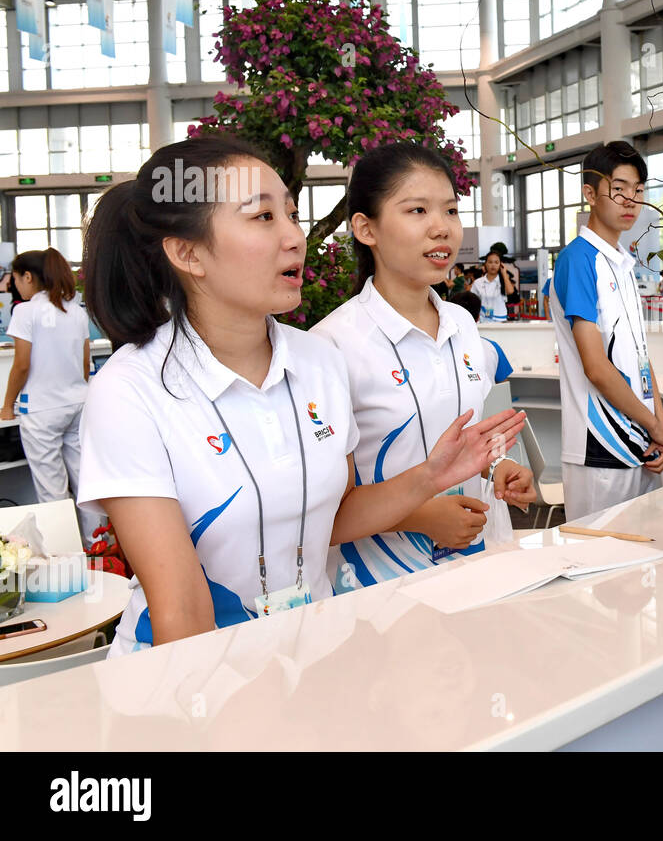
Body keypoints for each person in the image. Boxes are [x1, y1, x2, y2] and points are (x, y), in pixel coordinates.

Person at [76, 137, 524, 657]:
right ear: (188, 253)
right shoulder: (131, 390)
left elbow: (334, 518)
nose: (294, 237)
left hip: (313, 661)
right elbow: (181, 611)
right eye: (263, 218)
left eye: (291, 213)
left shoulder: (318, 362)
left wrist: (431, 477)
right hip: (189, 688)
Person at [312, 143, 535, 590]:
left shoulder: (462, 325)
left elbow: (467, 440)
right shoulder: (331, 346)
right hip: (384, 582)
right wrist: (421, 516)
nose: (442, 228)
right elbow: (324, 511)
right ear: (365, 228)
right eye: (417, 210)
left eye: (451, 211)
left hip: (482, 563)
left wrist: (500, 466)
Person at [543, 140, 663, 521]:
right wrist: (655, 425)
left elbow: (639, 357)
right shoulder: (578, 261)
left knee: (644, 569)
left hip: (642, 445)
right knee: (598, 568)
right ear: (590, 193)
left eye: (637, 190)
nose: (630, 200)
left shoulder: (622, 264)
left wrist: (660, 428)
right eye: (618, 189)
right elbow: (596, 367)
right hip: (600, 448)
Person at [0, 248, 99, 544]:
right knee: (86, 484)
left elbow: (21, 365)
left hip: (42, 410)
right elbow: (85, 364)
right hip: (78, 404)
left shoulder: (25, 311)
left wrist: (7, 406)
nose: (15, 285)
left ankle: (65, 556)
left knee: (51, 489)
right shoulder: (76, 311)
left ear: (28, 277)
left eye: (16, 279)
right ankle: (100, 549)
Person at [448, 290, 515, 384]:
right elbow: (503, 387)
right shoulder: (492, 347)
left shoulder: (439, 348)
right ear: (478, 317)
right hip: (490, 399)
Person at [471, 249, 514, 322]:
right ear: (485, 264)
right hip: (482, 320)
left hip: (501, 320)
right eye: (490, 262)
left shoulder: (504, 281)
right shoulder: (478, 282)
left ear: (500, 265)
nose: (493, 265)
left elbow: (510, 291)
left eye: (496, 262)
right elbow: (473, 302)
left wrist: (504, 274)